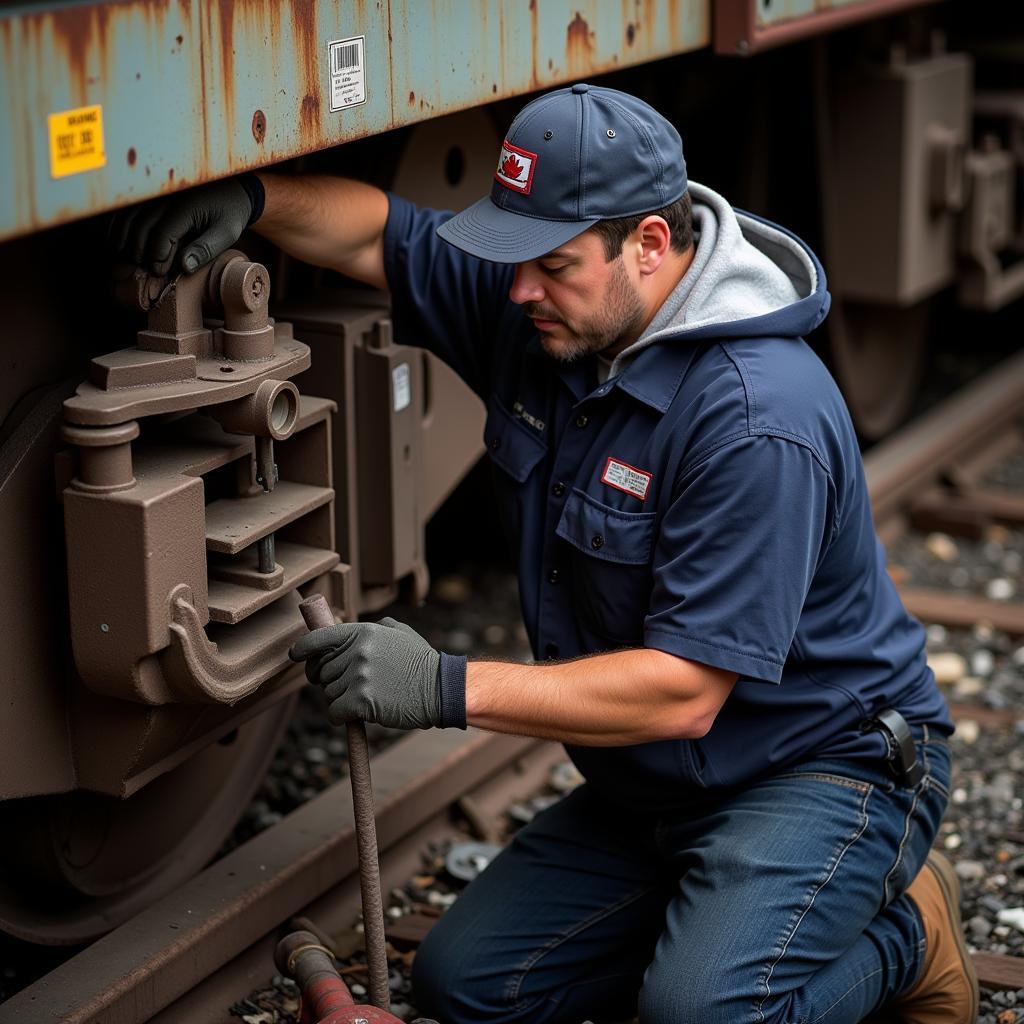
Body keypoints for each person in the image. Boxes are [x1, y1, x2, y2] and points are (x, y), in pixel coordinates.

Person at [113, 84, 977, 1024]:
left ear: (650, 243)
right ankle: (721, 927)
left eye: (552, 266)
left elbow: (685, 693)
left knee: (700, 1016)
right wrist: (254, 200)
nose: (520, 290)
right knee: (473, 985)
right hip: (658, 783)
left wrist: (440, 684)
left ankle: (908, 932)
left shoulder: (754, 417)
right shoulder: (561, 303)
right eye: (517, 259)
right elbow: (381, 236)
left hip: (818, 770)